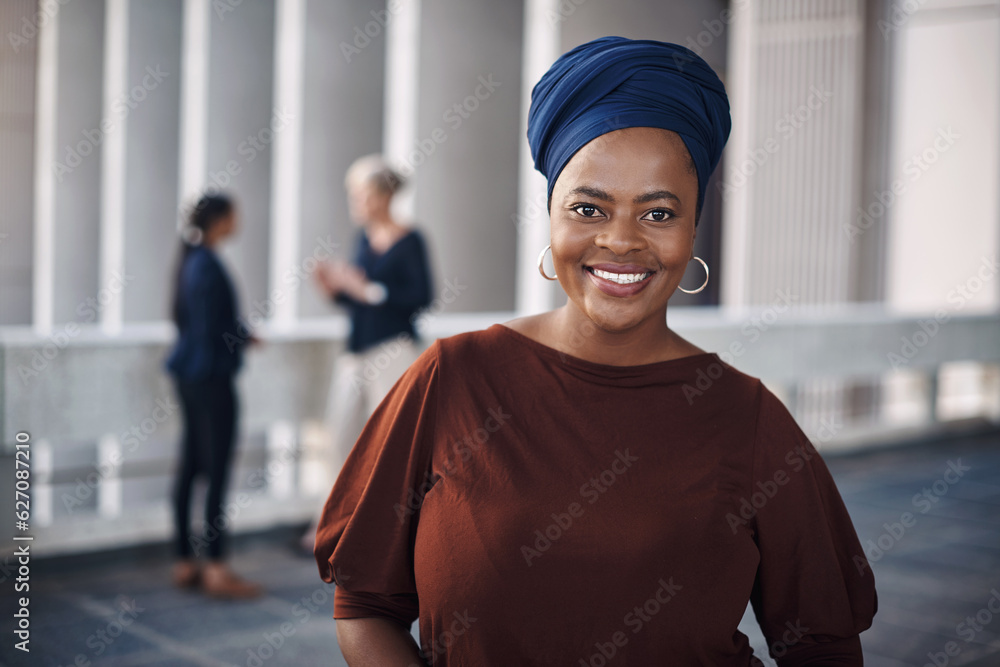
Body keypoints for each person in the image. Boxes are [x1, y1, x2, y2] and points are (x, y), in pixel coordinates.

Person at [313, 37, 877, 665]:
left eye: (658, 214)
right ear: (550, 217)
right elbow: (365, 606)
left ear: (693, 230)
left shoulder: (747, 417)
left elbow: (824, 644)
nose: (620, 241)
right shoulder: (450, 378)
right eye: (588, 207)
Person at [303, 154, 433, 552]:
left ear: (382, 196)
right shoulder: (363, 239)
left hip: (393, 351)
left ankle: (401, 530)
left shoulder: (410, 240)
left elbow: (422, 297)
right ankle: (333, 523)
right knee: (339, 437)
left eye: (360, 194)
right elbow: (359, 303)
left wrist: (368, 291)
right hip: (356, 351)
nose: (355, 201)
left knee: (394, 440)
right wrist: (335, 290)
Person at [165, 193, 262, 599]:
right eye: (234, 214)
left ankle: (186, 560)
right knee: (216, 471)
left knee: (191, 466)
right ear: (220, 220)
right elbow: (210, 327)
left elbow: (194, 320)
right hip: (210, 378)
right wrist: (238, 339)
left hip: (190, 374)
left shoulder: (192, 260)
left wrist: (239, 334)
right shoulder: (206, 263)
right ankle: (216, 567)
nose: (239, 219)